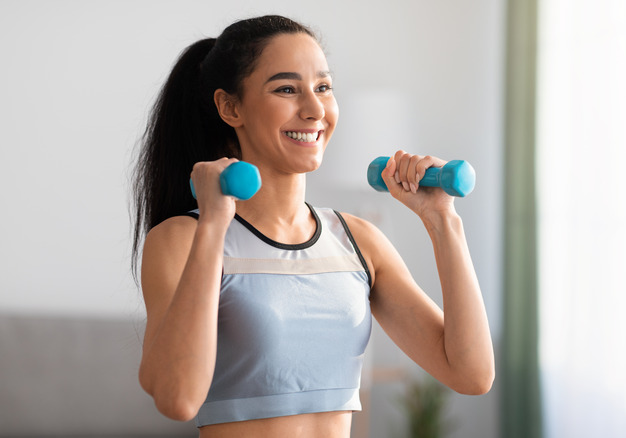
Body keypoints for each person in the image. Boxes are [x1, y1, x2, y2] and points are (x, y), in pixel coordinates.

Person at [131, 15, 494, 437]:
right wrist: (214, 222)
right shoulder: (184, 239)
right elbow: (177, 398)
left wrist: (442, 219)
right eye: (287, 89)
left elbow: (472, 375)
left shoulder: (357, 241)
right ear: (231, 107)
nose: (315, 109)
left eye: (323, 87)